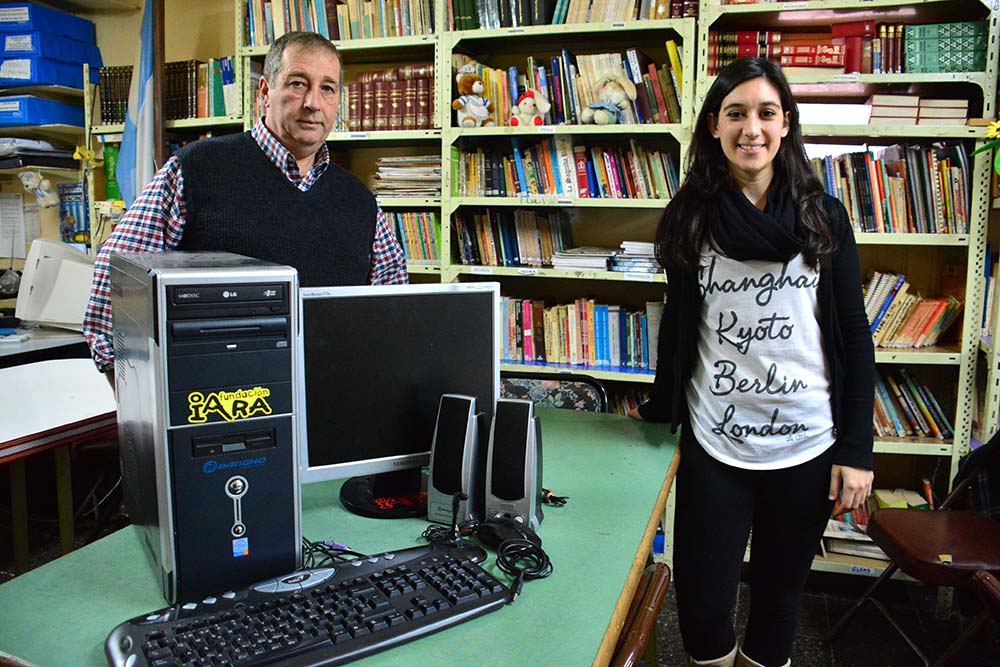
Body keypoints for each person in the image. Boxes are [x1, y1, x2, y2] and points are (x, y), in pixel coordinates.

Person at [630, 58, 874, 667]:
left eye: (766, 113)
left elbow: (852, 334)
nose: (751, 128)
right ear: (714, 125)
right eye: (735, 113)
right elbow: (680, 328)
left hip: (806, 445)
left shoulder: (823, 217)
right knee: (701, 610)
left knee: (777, 605)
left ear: (786, 123)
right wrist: (658, 411)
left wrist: (857, 451)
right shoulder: (691, 217)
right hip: (717, 444)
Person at [83, 31, 408, 380]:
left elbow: (393, 308)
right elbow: (116, 287)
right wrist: (132, 394)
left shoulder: (358, 200)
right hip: (219, 396)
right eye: (298, 84)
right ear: (265, 92)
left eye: (327, 88)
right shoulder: (195, 169)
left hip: (330, 392)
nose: (313, 102)